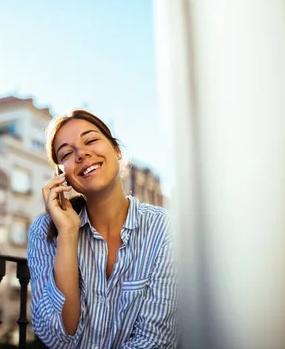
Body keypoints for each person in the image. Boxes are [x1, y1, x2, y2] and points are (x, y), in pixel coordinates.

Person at [27, 109, 177, 348]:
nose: (82, 153)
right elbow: (57, 339)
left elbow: (155, 340)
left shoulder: (165, 229)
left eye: (91, 140)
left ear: (117, 150)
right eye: (66, 153)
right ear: (61, 175)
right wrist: (67, 233)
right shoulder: (44, 230)